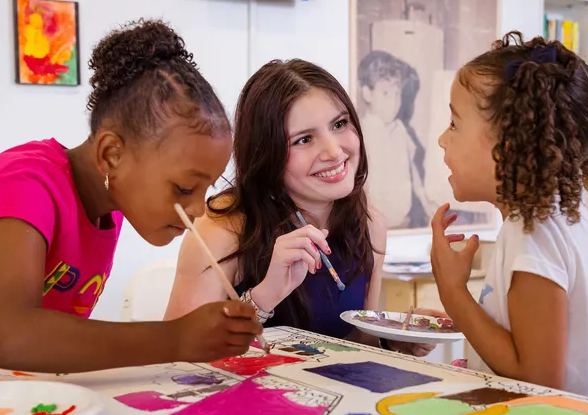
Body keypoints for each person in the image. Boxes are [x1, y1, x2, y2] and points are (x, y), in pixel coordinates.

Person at [0, 20, 259, 379]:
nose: (196, 209)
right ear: (112, 155)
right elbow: (12, 338)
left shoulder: (110, 211)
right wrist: (173, 340)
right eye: (183, 188)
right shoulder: (26, 183)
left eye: (206, 189)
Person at [164, 59, 435, 356]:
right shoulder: (222, 227)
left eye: (340, 124)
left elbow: (355, 343)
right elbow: (177, 354)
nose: (334, 151)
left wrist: (393, 340)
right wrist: (264, 296)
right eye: (304, 139)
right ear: (267, 154)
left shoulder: (371, 225)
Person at [430, 32, 588, 397]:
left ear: (507, 149)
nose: (442, 139)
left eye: (454, 124)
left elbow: (539, 381)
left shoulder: (534, 234)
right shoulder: (559, 217)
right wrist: (459, 319)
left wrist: (453, 292)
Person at [358, 50, 433, 230]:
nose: (393, 102)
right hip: (371, 229)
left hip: (402, 224)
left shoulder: (401, 130)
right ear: (368, 94)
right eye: (385, 93)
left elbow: (412, 170)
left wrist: (425, 201)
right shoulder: (361, 132)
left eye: (397, 94)